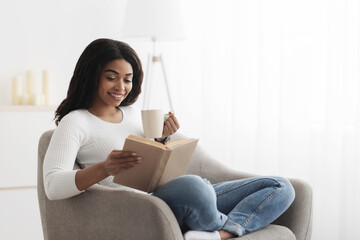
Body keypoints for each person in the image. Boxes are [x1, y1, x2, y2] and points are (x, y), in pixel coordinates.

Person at [43, 38, 295, 240]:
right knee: (195, 187)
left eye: (127, 79)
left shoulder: (132, 114)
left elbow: (153, 162)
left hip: (176, 195)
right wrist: (105, 168)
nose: (121, 86)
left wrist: (163, 140)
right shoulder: (75, 121)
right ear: (92, 75)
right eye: (112, 77)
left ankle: (220, 233)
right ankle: (217, 222)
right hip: (145, 208)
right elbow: (53, 186)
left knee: (280, 186)